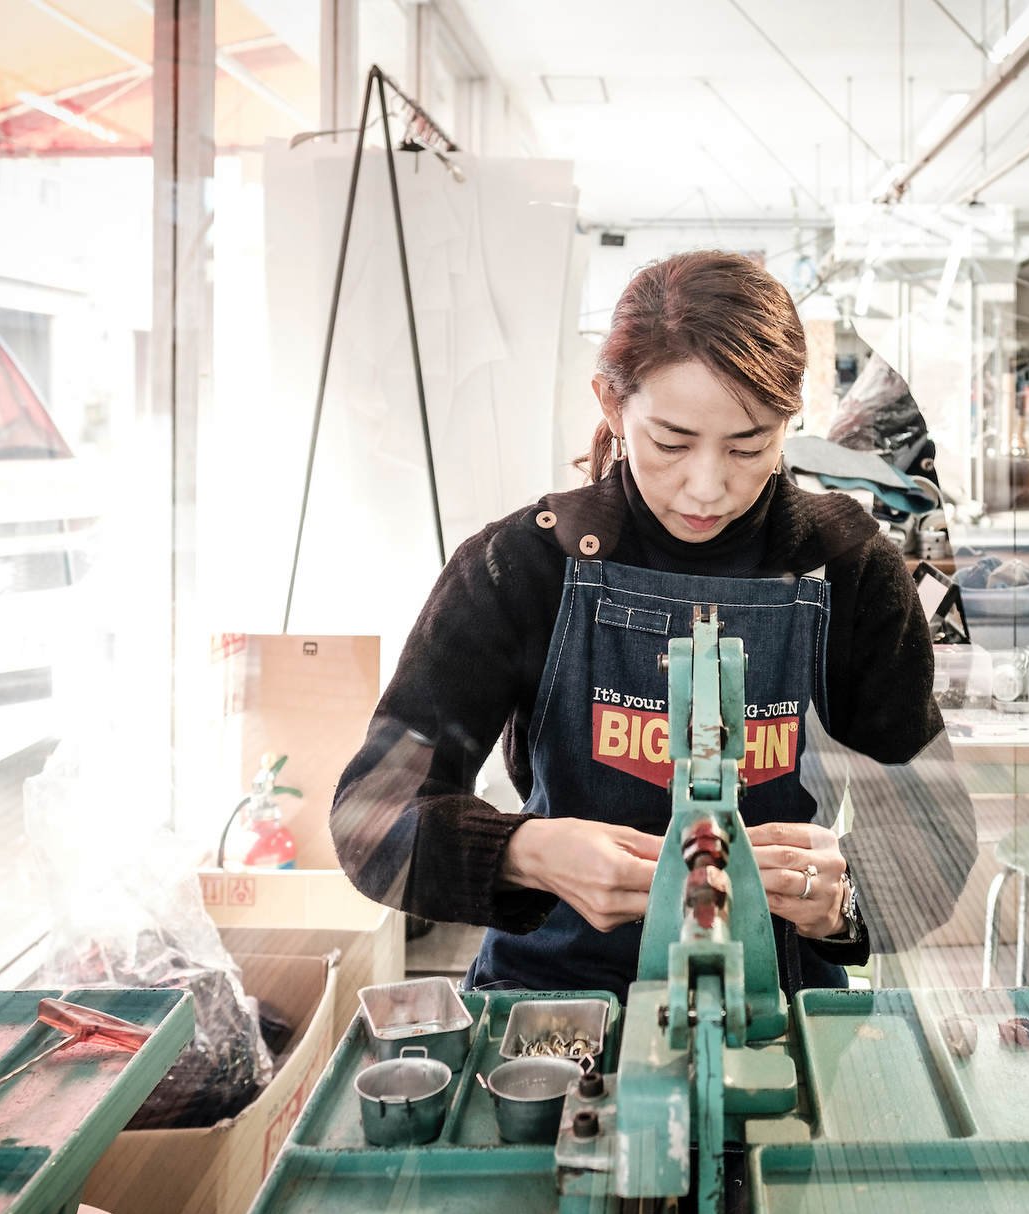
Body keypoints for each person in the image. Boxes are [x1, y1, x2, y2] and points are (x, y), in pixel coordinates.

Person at [332, 250, 975, 996]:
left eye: (751, 444)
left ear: (790, 420)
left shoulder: (848, 569)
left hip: (780, 994)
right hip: (555, 1001)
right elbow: (371, 819)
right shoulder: (522, 568)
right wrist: (525, 852)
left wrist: (840, 902)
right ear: (612, 404)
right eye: (670, 442)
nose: (708, 487)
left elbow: (935, 843)